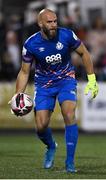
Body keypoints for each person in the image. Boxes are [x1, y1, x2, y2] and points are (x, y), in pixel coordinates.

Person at [9, 9, 98, 173]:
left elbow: (84, 53)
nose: (54, 25)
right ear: (40, 24)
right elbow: (24, 71)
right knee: (41, 126)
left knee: (69, 114)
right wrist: (18, 95)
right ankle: (51, 146)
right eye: (49, 22)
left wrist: (92, 79)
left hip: (66, 80)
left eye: (55, 21)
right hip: (44, 85)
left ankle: (70, 163)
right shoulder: (31, 44)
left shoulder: (67, 35)